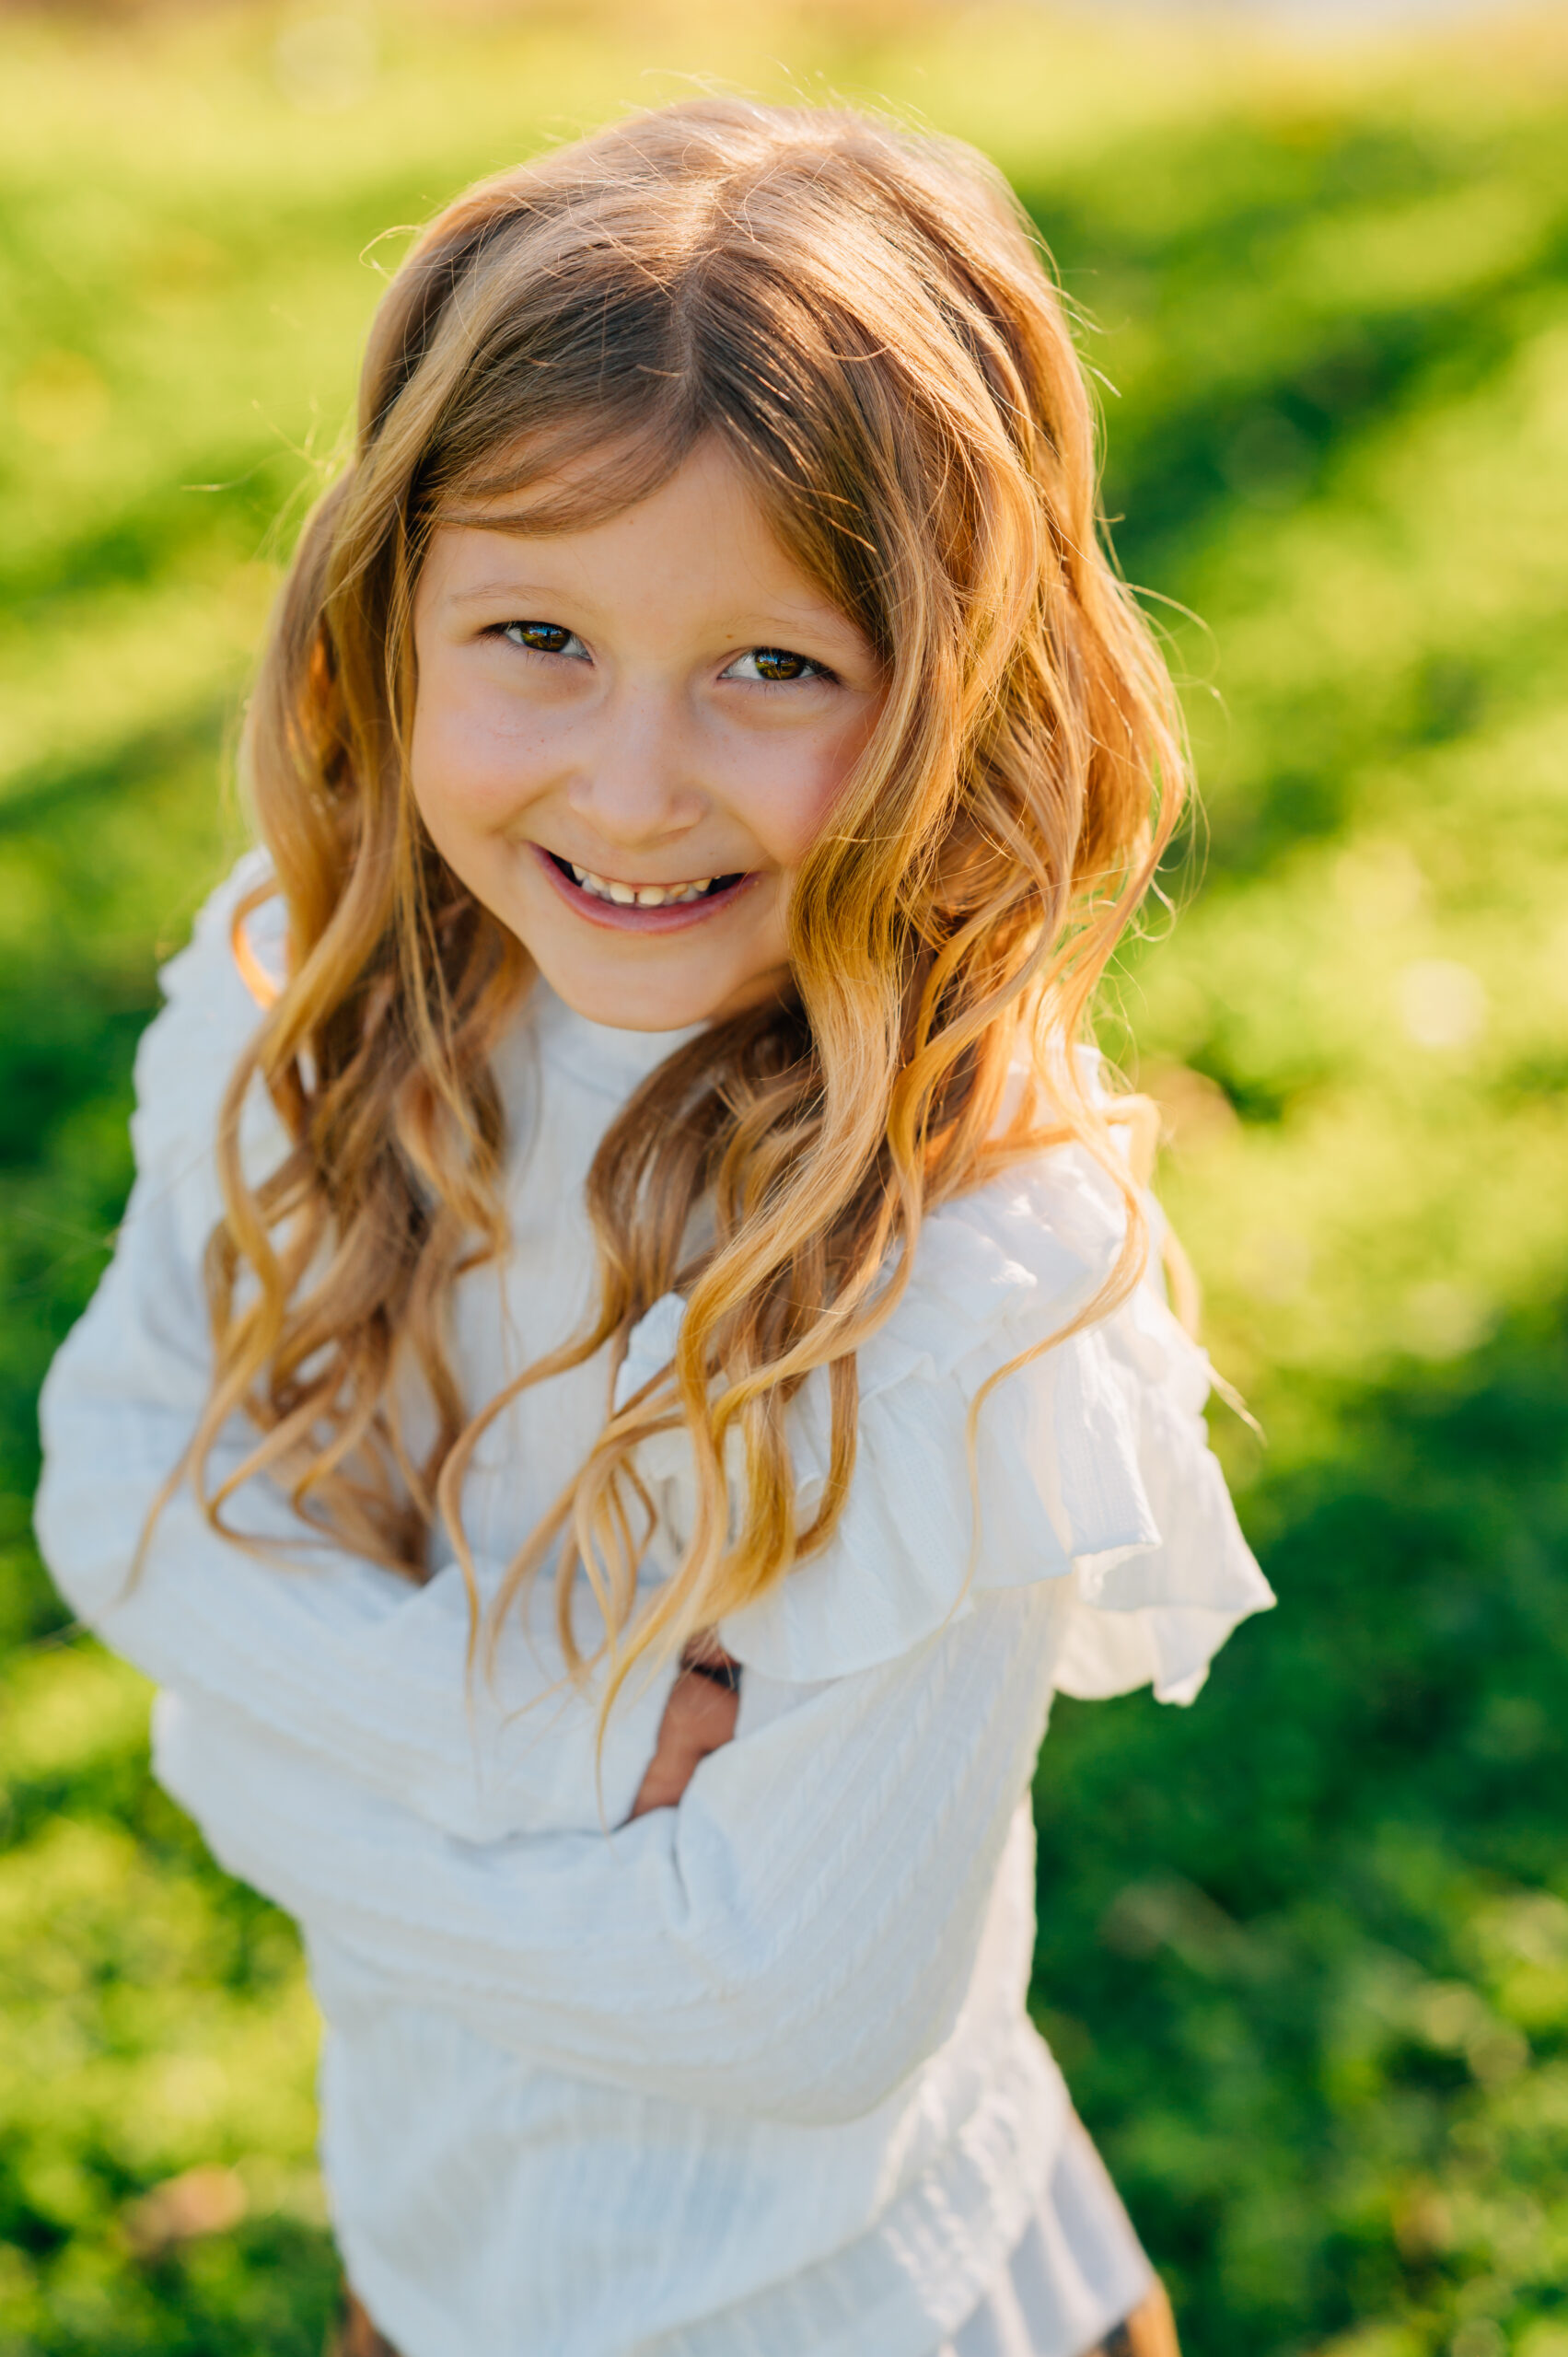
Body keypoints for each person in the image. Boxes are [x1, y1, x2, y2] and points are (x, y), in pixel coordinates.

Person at [36, 97, 1274, 2357]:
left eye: (772, 667)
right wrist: (551, 1750)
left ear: (957, 692)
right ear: (393, 618)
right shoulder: (308, 1020)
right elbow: (119, 1490)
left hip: (850, 2310)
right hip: (436, 2260)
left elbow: (788, 2007)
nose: (630, 787)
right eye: (539, 633)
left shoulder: (966, 1278)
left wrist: (250, 1754)